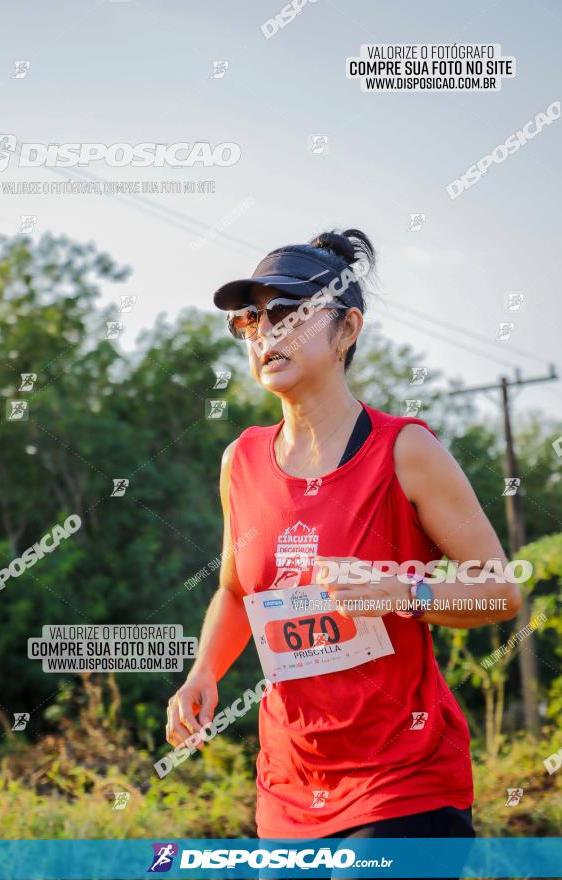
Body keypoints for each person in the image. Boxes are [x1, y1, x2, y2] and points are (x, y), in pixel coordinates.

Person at [165, 228, 521, 871]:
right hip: (290, 790)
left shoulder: (406, 450)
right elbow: (235, 591)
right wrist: (203, 672)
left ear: (346, 328)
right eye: (249, 320)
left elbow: (499, 588)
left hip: (403, 783)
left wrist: (403, 591)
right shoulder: (240, 459)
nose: (264, 333)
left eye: (287, 313)